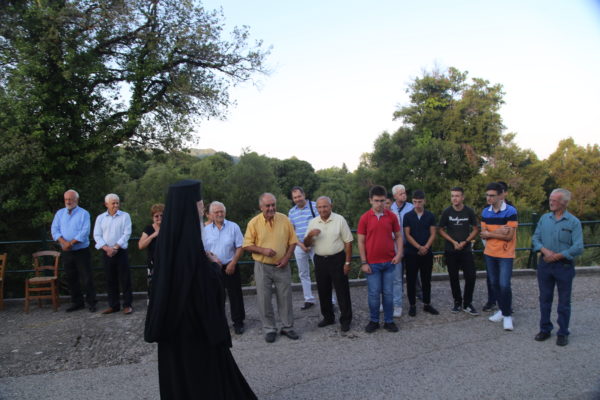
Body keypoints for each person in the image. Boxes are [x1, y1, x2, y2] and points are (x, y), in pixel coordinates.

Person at [144, 180, 256, 399]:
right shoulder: (190, 244)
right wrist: (214, 266)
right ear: (189, 206)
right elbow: (203, 287)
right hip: (195, 329)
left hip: (173, 327)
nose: (202, 209)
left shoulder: (169, 241)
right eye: (199, 204)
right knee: (205, 379)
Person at [243, 193, 299, 343]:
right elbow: (247, 245)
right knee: (264, 298)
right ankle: (269, 329)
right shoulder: (253, 223)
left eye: (273, 204)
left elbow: (293, 241)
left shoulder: (284, 219)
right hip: (262, 266)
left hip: (283, 265)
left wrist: (287, 257)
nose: (271, 208)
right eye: (267, 205)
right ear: (261, 207)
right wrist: (263, 250)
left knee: (285, 297)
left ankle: (287, 327)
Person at [532, 188, 583, 346]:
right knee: (545, 299)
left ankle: (563, 332)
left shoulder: (574, 222)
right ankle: (545, 329)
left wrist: (559, 255)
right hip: (545, 265)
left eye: (554, 200)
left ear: (564, 203)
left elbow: (578, 246)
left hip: (564, 266)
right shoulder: (544, 219)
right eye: (550, 199)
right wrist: (545, 251)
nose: (551, 202)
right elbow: (535, 238)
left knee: (564, 302)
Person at [304, 196, 353, 332]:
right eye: (319, 207)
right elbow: (306, 244)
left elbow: (348, 242)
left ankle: (346, 320)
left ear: (331, 206)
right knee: (323, 290)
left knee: (342, 291)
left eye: (325, 206)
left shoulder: (339, 219)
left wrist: (347, 262)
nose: (322, 209)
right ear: (316, 208)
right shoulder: (313, 222)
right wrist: (310, 236)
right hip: (320, 260)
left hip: (337, 259)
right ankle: (328, 317)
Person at [357, 185, 402, 333]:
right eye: (376, 200)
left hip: (389, 262)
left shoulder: (392, 216)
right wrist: (364, 262)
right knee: (374, 294)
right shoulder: (364, 218)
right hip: (372, 264)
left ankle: (389, 321)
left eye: (382, 201)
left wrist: (399, 254)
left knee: (388, 293)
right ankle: (374, 321)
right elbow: (361, 241)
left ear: (386, 200)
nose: (379, 204)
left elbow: (399, 236)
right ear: (370, 200)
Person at [203, 201, 246, 335]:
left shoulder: (233, 227)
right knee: (216, 296)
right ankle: (218, 323)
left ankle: (238, 322)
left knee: (235, 295)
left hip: (231, 265)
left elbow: (240, 246)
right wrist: (212, 259)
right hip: (213, 268)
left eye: (221, 211)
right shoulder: (205, 230)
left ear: (225, 212)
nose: (219, 214)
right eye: (216, 212)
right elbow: (203, 249)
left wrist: (233, 263)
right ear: (211, 214)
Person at [480, 182, 518, 331]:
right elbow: (483, 234)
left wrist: (490, 233)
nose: (489, 198)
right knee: (494, 283)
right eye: (487, 195)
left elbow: (509, 236)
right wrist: (498, 231)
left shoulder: (510, 211)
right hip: (490, 253)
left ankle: (507, 315)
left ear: (500, 196)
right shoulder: (485, 212)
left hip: (505, 253)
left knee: (504, 284)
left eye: (492, 195)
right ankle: (503, 310)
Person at [51, 189, 97, 312]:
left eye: (70, 199)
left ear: (77, 200)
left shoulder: (84, 213)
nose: (68, 201)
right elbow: (54, 230)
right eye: (66, 199)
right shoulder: (60, 214)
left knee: (86, 277)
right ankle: (77, 302)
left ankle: (92, 302)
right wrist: (64, 243)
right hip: (67, 252)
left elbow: (85, 232)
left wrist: (70, 243)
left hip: (81, 251)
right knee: (71, 278)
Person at [438, 187, 479, 315]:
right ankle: (457, 302)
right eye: (452, 196)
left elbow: (476, 229)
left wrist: (465, 242)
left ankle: (467, 303)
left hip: (466, 249)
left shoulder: (469, 211)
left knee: (471, 276)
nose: (454, 198)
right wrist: (453, 242)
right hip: (451, 249)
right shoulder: (447, 212)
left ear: (462, 197)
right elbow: (440, 229)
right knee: (453, 277)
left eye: (457, 196)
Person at [93, 193, 133, 315]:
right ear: (106, 204)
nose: (116, 205)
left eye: (117, 203)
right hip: (107, 252)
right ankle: (114, 305)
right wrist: (107, 248)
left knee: (125, 279)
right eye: (113, 203)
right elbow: (97, 235)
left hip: (120, 251)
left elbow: (127, 233)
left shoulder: (125, 216)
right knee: (110, 279)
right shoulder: (100, 218)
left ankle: (127, 305)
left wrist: (115, 247)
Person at [403, 190, 439, 317]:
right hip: (411, 253)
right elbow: (407, 234)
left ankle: (427, 304)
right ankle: (412, 305)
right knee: (411, 280)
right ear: (412, 201)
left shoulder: (430, 215)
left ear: (424, 201)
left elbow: (433, 233)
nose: (417, 204)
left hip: (427, 252)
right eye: (415, 202)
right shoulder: (407, 216)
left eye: (419, 202)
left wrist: (426, 247)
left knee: (426, 279)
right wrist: (419, 247)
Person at [288, 186, 317, 310]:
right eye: (295, 197)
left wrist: (309, 243)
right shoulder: (291, 212)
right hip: (299, 245)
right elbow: (292, 232)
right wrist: (301, 245)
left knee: (322, 272)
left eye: (299, 196)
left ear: (304, 195)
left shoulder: (315, 206)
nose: (297, 199)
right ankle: (308, 299)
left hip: (316, 244)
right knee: (303, 273)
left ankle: (329, 299)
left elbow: (321, 225)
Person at [389, 184, 416, 317]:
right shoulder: (390, 208)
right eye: (400, 193)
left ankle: (416, 298)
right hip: (395, 247)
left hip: (410, 246)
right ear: (395, 196)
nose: (404, 195)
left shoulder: (411, 207)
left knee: (413, 275)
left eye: (404, 193)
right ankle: (397, 301)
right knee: (396, 277)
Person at [138, 203, 164, 300]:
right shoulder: (148, 229)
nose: (159, 218)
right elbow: (140, 245)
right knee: (153, 288)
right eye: (156, 216)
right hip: (153, 264)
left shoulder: (169, 228)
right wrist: (153, 235)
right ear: (152, 217)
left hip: (167, 263)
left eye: (161, 215)